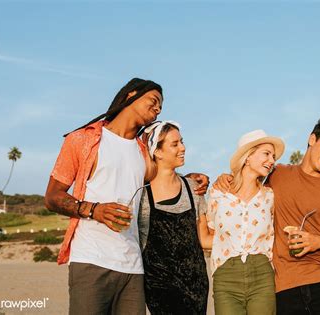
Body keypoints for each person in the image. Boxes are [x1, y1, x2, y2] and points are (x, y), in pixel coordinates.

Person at [44, 78, 208, 314]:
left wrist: (191, 178)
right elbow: (52, 197)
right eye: (154, 100)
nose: (158, 109)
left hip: (133, 267)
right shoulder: (83, 139)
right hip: (91, 260)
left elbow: (165, 173)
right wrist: (94, 210)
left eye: (161, 106)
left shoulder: (143, 151)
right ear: (131, 95)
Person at [215, 118, 320, 315]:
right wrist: (226, 178)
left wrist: (318, 242)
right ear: (312, 139)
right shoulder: (277, 174)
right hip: (283, 287)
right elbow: (247, 190)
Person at [138, 120, 212, 314]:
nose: (183, 147)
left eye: (182, 141)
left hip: (196, 285)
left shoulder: (194, 187)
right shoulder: (142, 195)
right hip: (159, 288)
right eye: (175, 144)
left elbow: (204, 238)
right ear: (157, 152)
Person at [207, 129, 285, 315]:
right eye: (266, 154)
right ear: (247, 157)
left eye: (273, 156)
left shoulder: (270, 197)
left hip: (262, 273)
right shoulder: (218, 194)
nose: (272, 161)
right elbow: (210, 235)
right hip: (226, 275)